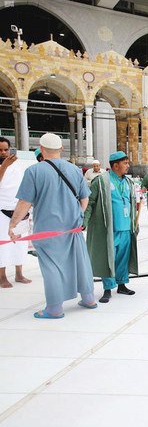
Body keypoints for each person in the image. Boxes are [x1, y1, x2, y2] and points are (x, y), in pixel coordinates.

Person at [10, 133, 96, 318]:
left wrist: (13, 224)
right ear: (61, 149)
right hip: (72, 227)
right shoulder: (74, 170)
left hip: (48, 229)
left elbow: (24, 203)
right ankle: (89, 298)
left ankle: (55, 308)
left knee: (52, 266)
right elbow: (85, 198)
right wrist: (78, 215)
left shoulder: (34, 171)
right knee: (80, 261)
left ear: (41, 149)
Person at [84, 151, 139, 303]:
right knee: (108, 258)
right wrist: (84, 221)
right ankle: (107, 288)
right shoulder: (101, 181)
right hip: (109, 229)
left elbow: (132, 204)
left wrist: (135, 223)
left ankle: (121, 285)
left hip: (126, 228)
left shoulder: (128, 182)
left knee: (123, 257)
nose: (128, 166)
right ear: (115, 165)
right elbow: (90, 201)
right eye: (125, 163)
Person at [0, 137, 31, 288]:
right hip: (2, 209)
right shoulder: (4, 165)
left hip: (19, 209)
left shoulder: (19, 165)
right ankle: (2, 276)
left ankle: (19, 273)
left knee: (20, 243)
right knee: (3, 245)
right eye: (0, 150)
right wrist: (4, 166)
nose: (3, 152)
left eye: (6, 149)